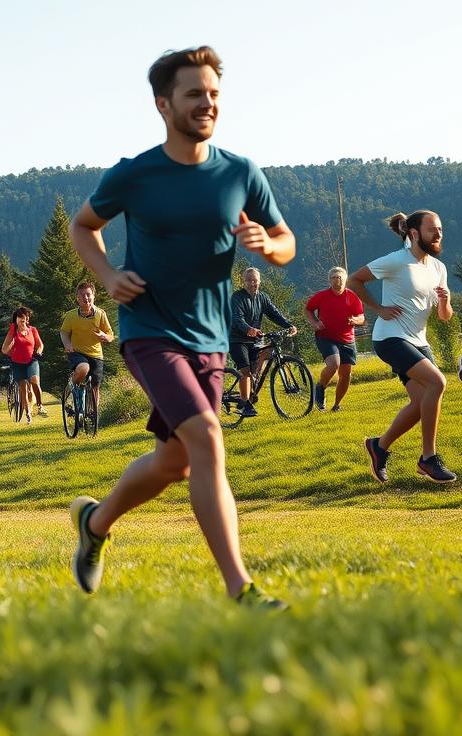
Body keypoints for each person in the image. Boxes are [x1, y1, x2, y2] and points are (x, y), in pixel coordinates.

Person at [66, 46, 295, 608]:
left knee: (177, 461)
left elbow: (286, 240)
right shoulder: (135, 174)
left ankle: (96, 523)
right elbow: (83, 225)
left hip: (211, 337)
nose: (207, 103)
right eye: (194, 94)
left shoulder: (241, 173)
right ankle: (241, 588)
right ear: (163, 104)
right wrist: (108, 273)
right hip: (149, 328)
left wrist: (270, 245)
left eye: (214, 93)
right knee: (208, 439)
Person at [349, 211, 457, 484]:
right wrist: (377, 308)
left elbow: (445, 317)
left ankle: (379, 447)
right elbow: (354, 280)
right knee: (437, 383)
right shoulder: (396, 261)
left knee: (422, 403)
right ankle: (428, 458)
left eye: (440, 229)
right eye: (432, 229)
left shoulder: (437, 268)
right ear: (414, 233)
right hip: (390, 338)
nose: (438, 234)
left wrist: (445, 302)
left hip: (418, 340)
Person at [228, 267, 297, 417]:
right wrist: (248, 329)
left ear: (260, 281)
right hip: (237, 340)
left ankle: (249, 393)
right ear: (243, 282)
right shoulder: (237, 297)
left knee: (255, 371)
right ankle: (244, 405)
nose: (253, 283)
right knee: (246, 373)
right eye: (249, 280)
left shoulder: (263, 297)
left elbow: (274, 314)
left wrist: (288, 325)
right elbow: (237, 318)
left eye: (255, 281)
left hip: (255, 340)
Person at [305, 267, 365, 411]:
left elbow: (361, 317)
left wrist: (355, 320)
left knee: (345, 375)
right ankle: (320, 387)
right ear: (330, 280)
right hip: (326, 337)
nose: (337, 280)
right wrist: (315, 322)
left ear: (345, 280)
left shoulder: (352, 296)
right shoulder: (322, 296)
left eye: (340, 277)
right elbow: (308, 309)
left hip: (347, 339)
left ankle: (337, 405)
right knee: (333, 364)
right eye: (334, 277)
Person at [60, 281, 115, 418]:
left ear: (93, 296)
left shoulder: (100, 314)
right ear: (77, 298)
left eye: (88, 294)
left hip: (96, 355)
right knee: (83, 368)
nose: (86, 298)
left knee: (95, 386)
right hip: (77, 353)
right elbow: (64, 332)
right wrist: (67, 344)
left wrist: (105, 337)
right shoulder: (71, 316)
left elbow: (111, 335)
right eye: (82, 295)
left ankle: (92, 415)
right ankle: (72, 387)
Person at [1, 307, 44, 423]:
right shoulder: (13, 331)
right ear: (16, 319)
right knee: (23, 387)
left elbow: (40, 345)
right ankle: (28, 413)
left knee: (35, 382)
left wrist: (39, 352)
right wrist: (12, 351)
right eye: (20, 317)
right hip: (17, 363)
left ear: (28, 319)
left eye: (24, 316)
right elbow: (4, 349)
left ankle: (40, 406)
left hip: (32, 360)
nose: (22, 319)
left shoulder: (33, 330)